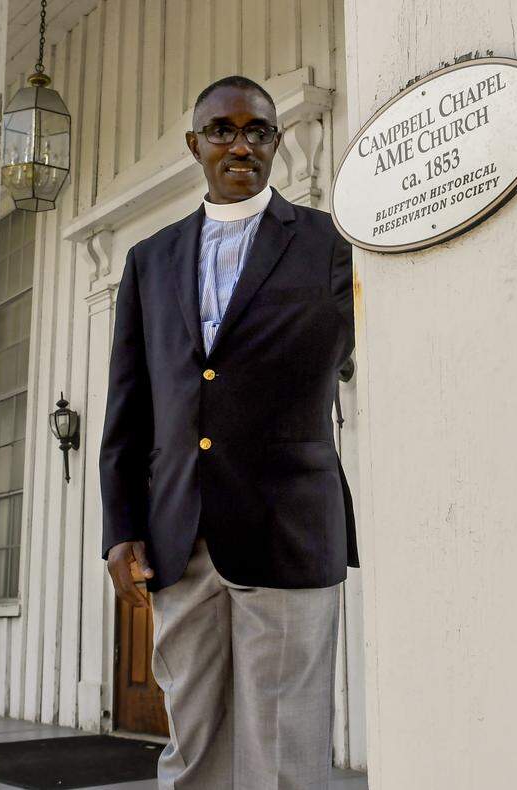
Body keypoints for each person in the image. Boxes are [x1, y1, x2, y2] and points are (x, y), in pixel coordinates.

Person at [99, 75, 358, 789]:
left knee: (282, 755)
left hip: (289, 530)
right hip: (180, 540)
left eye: (258, 131)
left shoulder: (331, 243)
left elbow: (368, 348)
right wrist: (121, 529)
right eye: (223, 130)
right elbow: (130, 406)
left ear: (276, 143)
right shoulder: (149, 260)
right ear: (196, 144)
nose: (241, 144)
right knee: (192, 751)